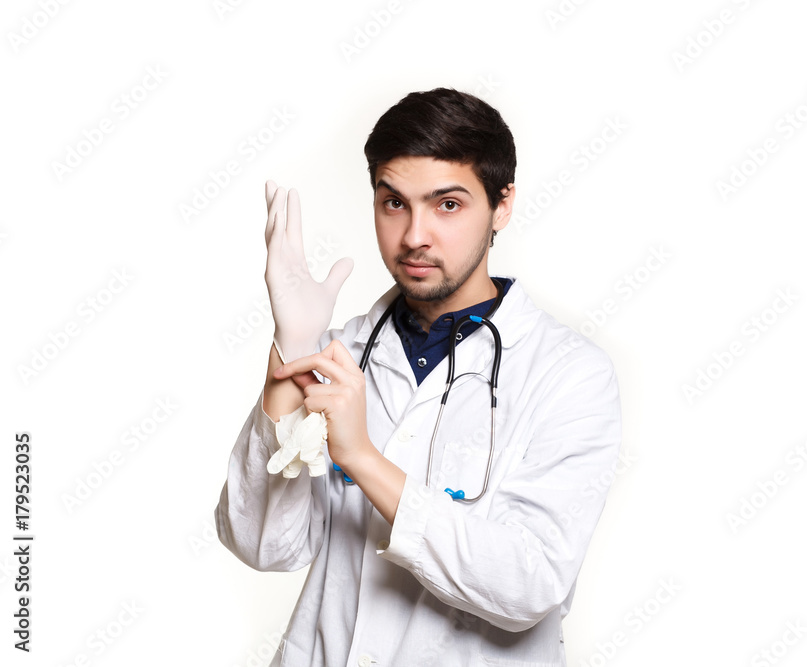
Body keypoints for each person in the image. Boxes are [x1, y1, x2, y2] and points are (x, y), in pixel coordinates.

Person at [215, 88, 622, 666]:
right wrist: (292, 348)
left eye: (447, 204)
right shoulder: (340, 353)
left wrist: (361, 458)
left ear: (502, 205)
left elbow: (530, 583)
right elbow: (262, 545)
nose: (413, 236)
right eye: (394, 203)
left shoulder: (569, 375)